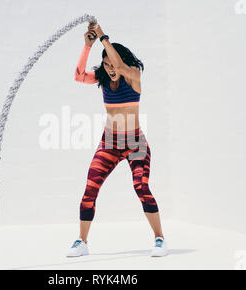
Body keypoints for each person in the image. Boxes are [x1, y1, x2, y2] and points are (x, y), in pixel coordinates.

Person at [66, 23, 168, 258]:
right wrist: (87, 45)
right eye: (107, 64)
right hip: (109, 144)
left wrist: (103, 36)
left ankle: (160, 238)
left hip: (135, 144)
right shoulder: (102, 78)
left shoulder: (133, 76)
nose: (111, 68)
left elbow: (121, 64)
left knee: (141, 187)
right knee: (90, 189)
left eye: (113, 64)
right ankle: (81, 241)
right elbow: (78, 75)